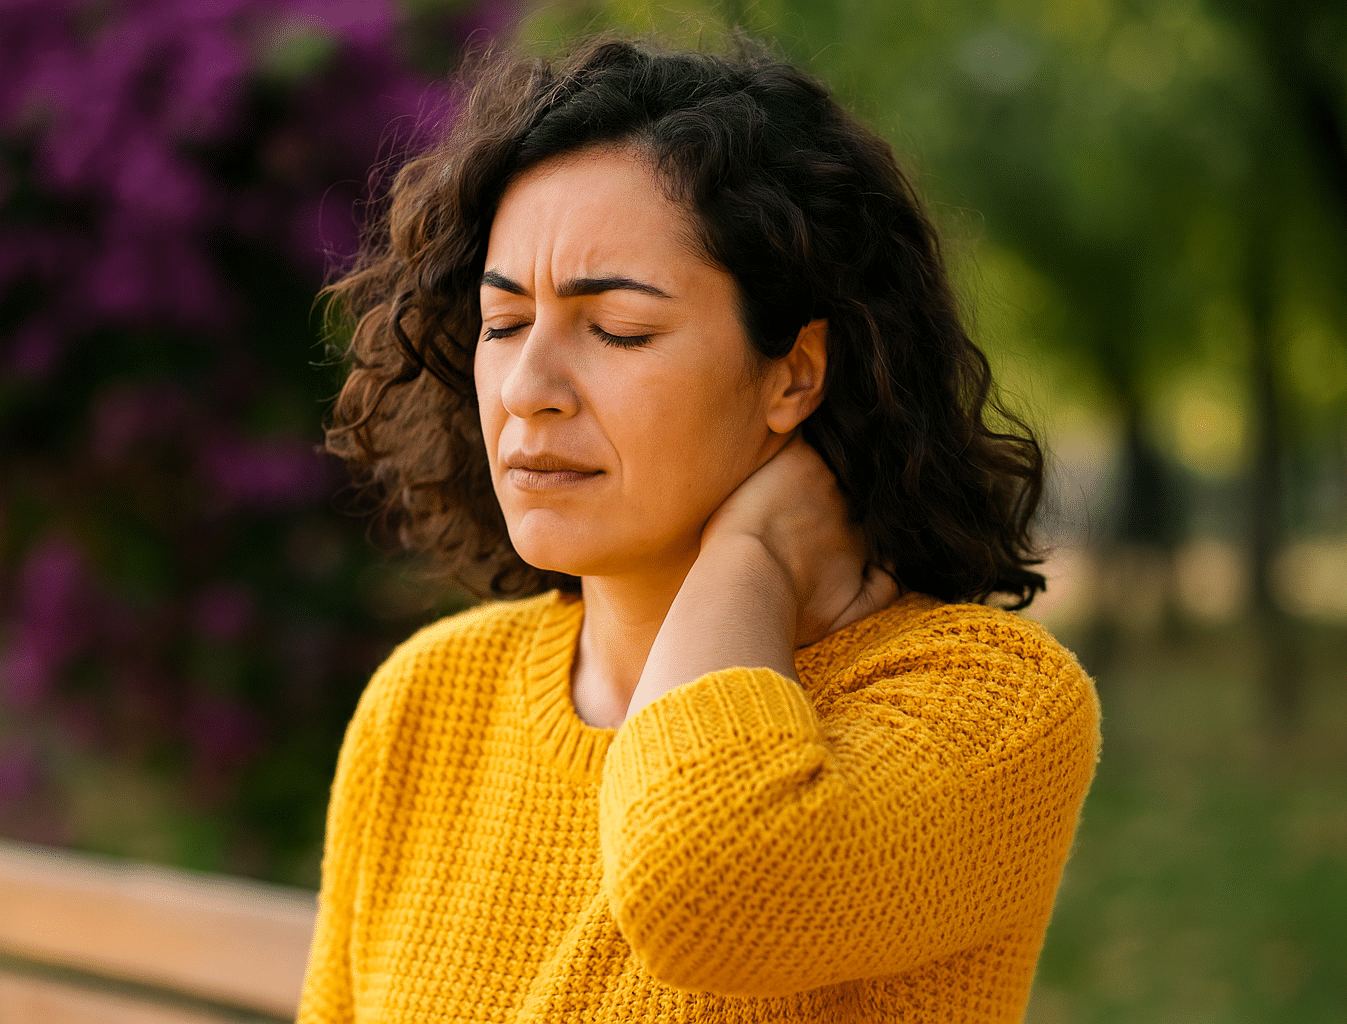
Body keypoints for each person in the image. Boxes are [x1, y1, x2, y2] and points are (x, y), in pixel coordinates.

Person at [297, 35, 1099, 1024]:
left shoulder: (987, 708)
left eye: (617, 329)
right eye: (504, 324)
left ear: (795, 372)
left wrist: (750, 556)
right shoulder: (426, 704)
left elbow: (710, 889)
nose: (528, 391)